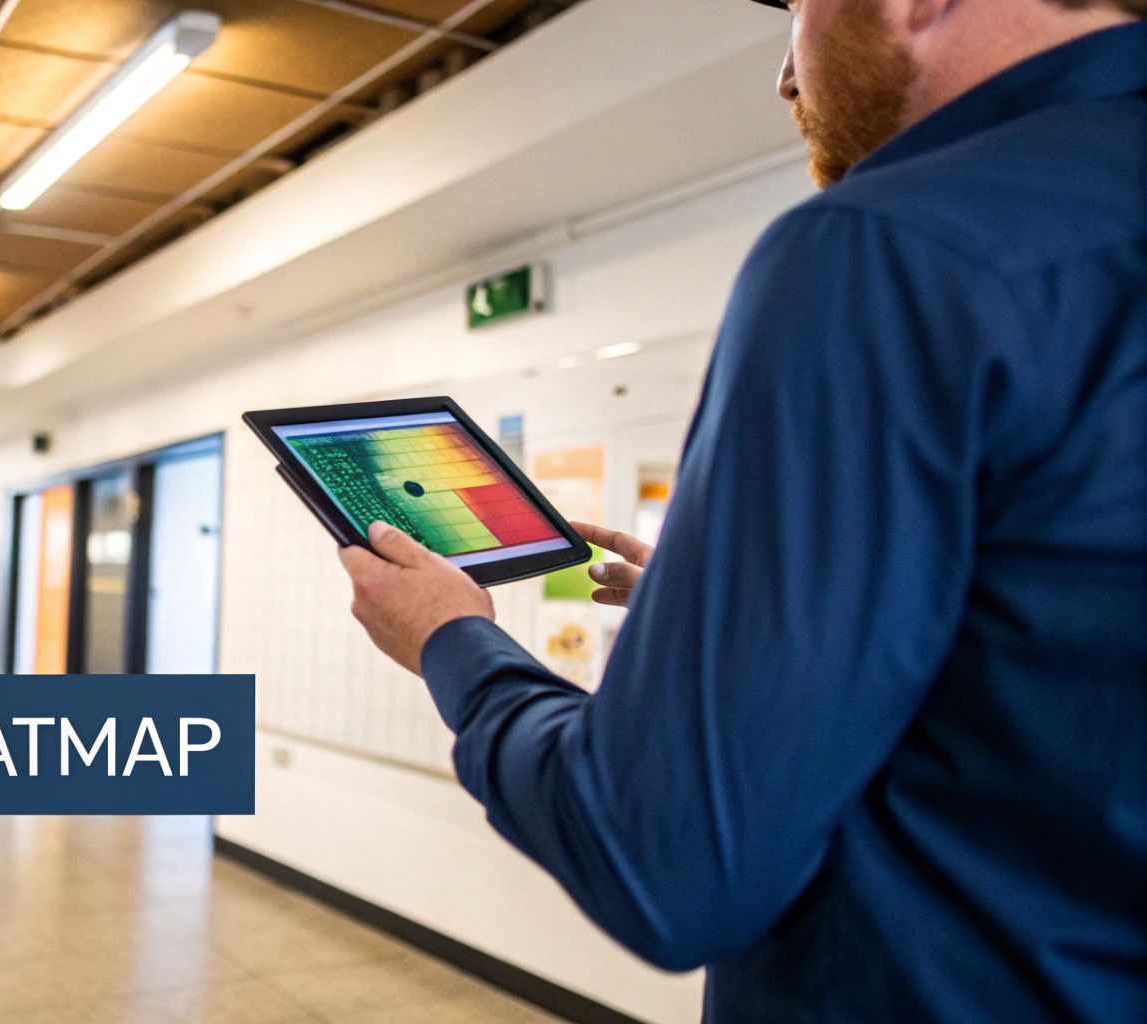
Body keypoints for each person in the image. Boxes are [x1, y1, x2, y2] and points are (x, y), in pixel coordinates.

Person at [337, 0, 1147, 1018]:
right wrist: (734, 623)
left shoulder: (880, 250)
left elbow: (662, 862)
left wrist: (452, 642)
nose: (783, 74)